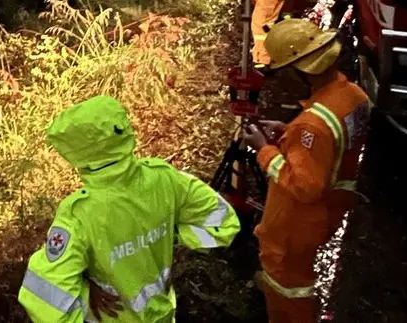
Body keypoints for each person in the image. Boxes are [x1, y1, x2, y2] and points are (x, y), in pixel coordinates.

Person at [18, 96, 240, 322]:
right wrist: (165, 235)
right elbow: (223, 223)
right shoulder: (165, 179)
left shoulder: (78, 215)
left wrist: (84, 293)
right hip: (162, 315)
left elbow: (44, 300)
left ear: (75, 153)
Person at [241, 19, 370, 323]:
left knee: (287, 285)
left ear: (301, 70)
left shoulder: (311, 126)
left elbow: (305, 186)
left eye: (282, 71)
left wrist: (264, 149)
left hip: (296, 224)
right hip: (331, 207)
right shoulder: (353, 97)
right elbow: (333, 146)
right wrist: (288, 132)